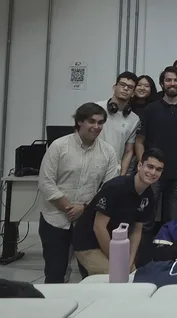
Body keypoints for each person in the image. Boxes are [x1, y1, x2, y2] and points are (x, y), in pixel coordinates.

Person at [37, 103, 119, 282]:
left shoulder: (108, 152)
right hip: (55, 219)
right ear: (79, 122)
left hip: (87, 222)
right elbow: (45, 182)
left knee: (91, 275)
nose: (96, 127)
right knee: (55, 272)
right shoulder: (59, 146)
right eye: (92, 121)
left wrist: (84, 208)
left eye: (100, 123)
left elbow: (108, 189)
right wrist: (69, 207)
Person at [72, 149, 163, 277]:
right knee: (114, 275)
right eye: (150, 167)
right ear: (140, 165)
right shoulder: (115, 187)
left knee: (132, 276)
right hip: (88, 243)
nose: (153, 172)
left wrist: (129, 262)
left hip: (116, 244)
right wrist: (117, 261)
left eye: (158, 169)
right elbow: (98, 227)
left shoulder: (148, 198)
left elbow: (136, 232)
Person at [134, 66, 177, 243]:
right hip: (152, 174)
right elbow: (139, 140)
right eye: (168, 80)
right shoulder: (150, 109)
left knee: (173, 220)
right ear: (162, 83)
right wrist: (143, 166)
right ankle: (143, 257)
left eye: (176, 80)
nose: (172, 83)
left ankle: (169, 257)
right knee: (146, 220)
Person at [96, 72, 141, 176]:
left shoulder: (134, 119)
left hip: (114, 170)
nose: (125, 89)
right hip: (91, 165)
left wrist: (122, 174)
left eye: (130, 87)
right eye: (122, 85)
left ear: (133, 93)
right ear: (114, 87)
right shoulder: (96, 108)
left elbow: (128, 151)